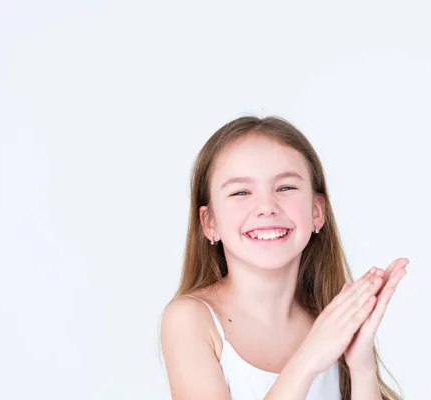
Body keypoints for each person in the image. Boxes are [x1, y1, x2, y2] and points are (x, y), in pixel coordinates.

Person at [160, 115, 409, 399]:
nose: (266, 207)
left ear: (317, 211)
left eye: (285, 188)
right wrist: (309, 357)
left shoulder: (332, 323)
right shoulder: (190, 320)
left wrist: (361, 365)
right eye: (241, 192)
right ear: (209, 222)